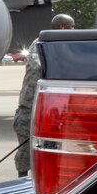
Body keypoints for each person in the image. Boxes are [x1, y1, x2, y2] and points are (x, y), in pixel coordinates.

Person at [14, 13, 75, 177]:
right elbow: (38, 66)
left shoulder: (64, 46)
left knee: (50, 150)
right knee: (26, 152)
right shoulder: (41, 43)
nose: (74, 29)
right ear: (62, 26)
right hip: (30, 106)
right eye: (71, 26)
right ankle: (22, 182)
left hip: (52, 108)